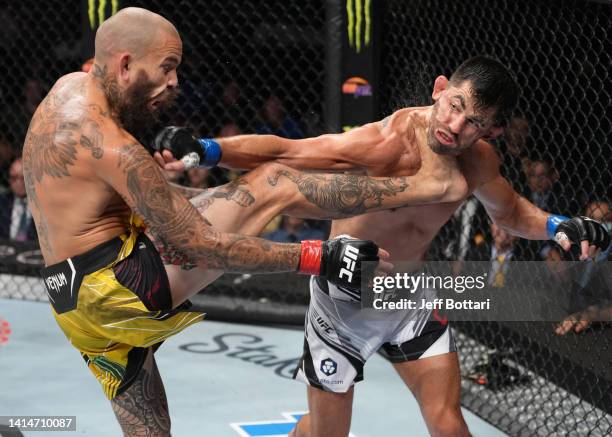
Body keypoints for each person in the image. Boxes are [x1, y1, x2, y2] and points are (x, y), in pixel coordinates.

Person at [22, 8, 463, 436]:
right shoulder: (116, 147)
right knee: (274, 182)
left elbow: (155, 206)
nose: (174, 82)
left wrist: (203, 202)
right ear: (124, 64)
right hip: (122, 286)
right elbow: (203, 245)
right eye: (167, 68)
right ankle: (421, 188)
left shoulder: (68, 90)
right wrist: (319, 256)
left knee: (151, 431)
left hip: (73, 301)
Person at [156, 56, 610, 437]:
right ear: (438, 89)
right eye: (455, 105)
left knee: (449, 426)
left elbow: (510, 213)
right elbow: (290, 151)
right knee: (324, 433)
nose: (455, 125)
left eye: (473, 121)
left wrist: (559, 225)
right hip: (343, 305)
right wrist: (206, 148)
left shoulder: (478, 161)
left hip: (407, 298)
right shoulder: (389, 142)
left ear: (490, 132)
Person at [0, 158, 37, 241]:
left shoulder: (45, 205)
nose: (18, 182)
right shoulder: (2, 203)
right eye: (14, 178)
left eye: (23, 178)